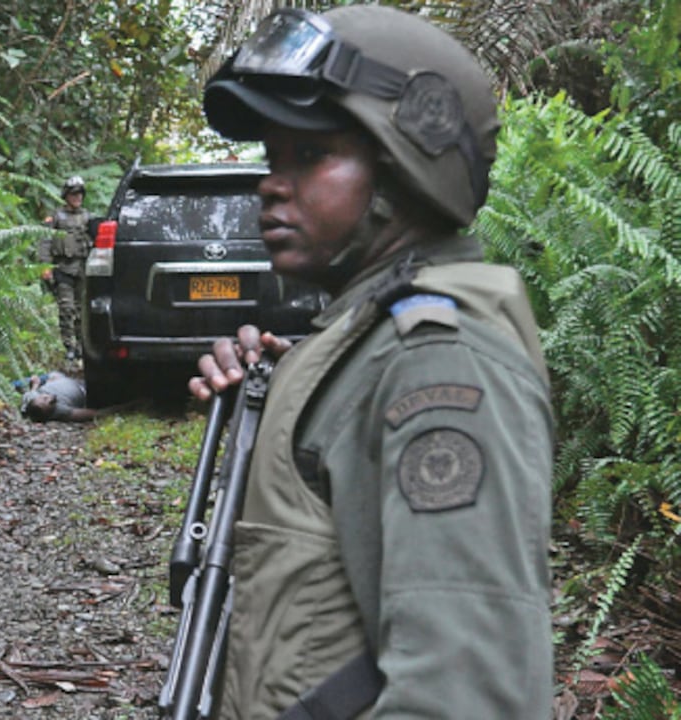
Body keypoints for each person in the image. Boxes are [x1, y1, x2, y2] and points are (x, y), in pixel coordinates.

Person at [187, 6, 553, 719]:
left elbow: (465, 694)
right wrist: (282, 390)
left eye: (310, 156)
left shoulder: (443, 370)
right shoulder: (367, 345)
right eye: (272, 158)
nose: (269, 183)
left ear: (406, 171)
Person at [40, 175, 93, 364]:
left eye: (80, 194)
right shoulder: (56, 217)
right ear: (66, 196)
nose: (77, 197)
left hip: (83, 269)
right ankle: (69, 346)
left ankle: (81, 346)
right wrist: (45, 266)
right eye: (74, 194)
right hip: (63, 268)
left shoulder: (88, 217)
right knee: (66, 309)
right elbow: (45, 241)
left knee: (81, 311)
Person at [18, 371, 99, 423]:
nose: (50, 399)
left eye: (45, 398)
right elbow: (91, 413)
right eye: (50, 404)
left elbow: (33, 388)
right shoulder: (61, 411)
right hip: (82, 387)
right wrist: (110, 411)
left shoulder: (31, 396)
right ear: (49, 414)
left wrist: (36, 383)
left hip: (55, 377)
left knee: (18, 383)